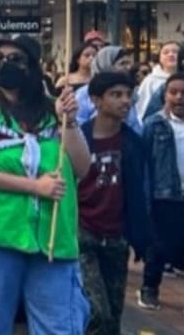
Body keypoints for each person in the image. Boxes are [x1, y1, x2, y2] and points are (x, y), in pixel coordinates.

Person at [0, 35, 91, 333]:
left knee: (60, 328)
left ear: (32, 67)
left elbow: (81, 166)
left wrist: (70, 122)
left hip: (52, 240)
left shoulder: (55, 112)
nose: (4, 65)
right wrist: (34, 187)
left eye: (14, 59)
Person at [77, 72, 148, 335]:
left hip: (116, 236)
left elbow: (139, 193)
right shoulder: (80, 137)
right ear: (96, 100)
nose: (124, 101)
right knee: (96, 311)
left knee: (113, 315)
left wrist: (140, 236)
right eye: (116, 95)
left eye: (128, 95)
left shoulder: (133, 143)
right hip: (83, 232)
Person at [137, 71, 184, 310]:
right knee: (158, 244)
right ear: (164, 95)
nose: (179, 98)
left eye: (183, 93)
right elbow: (144, 162)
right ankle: (149, 287)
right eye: (173, 92)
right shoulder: (154, 124)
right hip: (163, 194)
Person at [73, 46, 142, 134]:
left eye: (128, 63)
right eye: (122, 63)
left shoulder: (129, 92)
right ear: (105, 64)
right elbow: (78, 124)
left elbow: (134, 125)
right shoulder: (83, 94)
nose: (127, 68)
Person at [136, 40, 181, 118]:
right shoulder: (150, 80)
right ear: (160, 58)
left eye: (175, 52)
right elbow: (141, 108)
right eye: (166, 52)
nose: (171, 55)